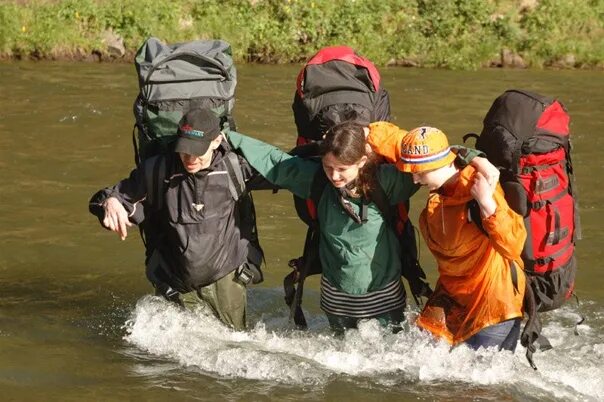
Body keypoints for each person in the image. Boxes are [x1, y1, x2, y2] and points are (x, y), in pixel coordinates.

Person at [225, 121, 497, 334]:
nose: (334, 175)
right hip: (336, 295)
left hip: (384, 295)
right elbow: (275, 161)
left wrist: (473, 156)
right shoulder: (316, 181)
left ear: (363, 161)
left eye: (342, 169)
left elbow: (430, 158)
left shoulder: (388, 182)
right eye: (328, 166)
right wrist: (227, 136)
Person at [89, 109, 263, 331]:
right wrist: (110, 202)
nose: (189, 159)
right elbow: (106, 198)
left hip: (225, 278)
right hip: (174, 281)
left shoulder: (235, 168)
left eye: (197, 152)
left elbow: (287, 170)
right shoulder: (157, 170)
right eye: (185, 150)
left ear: (217, 140)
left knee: (235, 347)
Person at [369, 125, 527, 351]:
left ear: (441, 163)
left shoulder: (480, 186)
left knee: (478, 382)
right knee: (421, 362)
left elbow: (514, 245)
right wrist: (365, 132)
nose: (414, 180)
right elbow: (399, 142)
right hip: (452, 294)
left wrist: (487, 205)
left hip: (492, 302)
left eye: (420, 173)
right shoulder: (439, 179)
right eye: (412, 173)